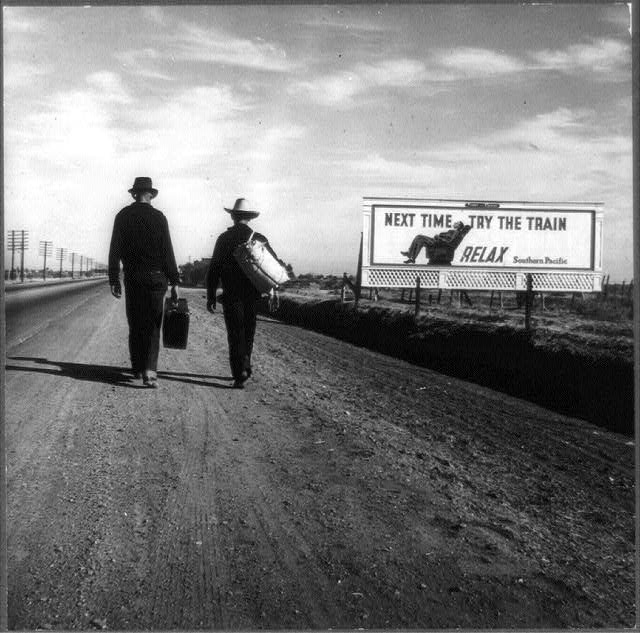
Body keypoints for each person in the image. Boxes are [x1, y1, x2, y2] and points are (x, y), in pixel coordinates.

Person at [108, 177, 179, 388]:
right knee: (153, 325)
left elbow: (115, 250)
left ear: (133, 194)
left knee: (136, 322)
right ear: (151, 195)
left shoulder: (122, 216)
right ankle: (150, 371)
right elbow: (168, 250)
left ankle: (137, 367)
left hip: (134, 278)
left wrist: (114, 278)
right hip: (157, 278)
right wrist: (174, 280)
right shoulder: (159, 217)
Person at [206, 198, 282, 389]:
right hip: (253, 295)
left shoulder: (223, 239)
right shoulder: (259, 238)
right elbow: (273, 264)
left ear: (232, 216)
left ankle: (240, 372)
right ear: (249, 218)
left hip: (231, 295)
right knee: (249, 331)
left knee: (235, 334)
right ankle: (245, 364)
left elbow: (214, 269)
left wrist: (211, 295)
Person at [401, 221, 471, 264]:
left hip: (437, 243)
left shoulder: (455, 232)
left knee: (419, 237)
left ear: (458, 226)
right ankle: (412, 258)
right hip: (437, 242)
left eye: (457, 223)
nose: (455, 223)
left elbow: (448, 241)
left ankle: (410, 253)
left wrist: (438, 237)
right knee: (419, 240)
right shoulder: (452, 231)